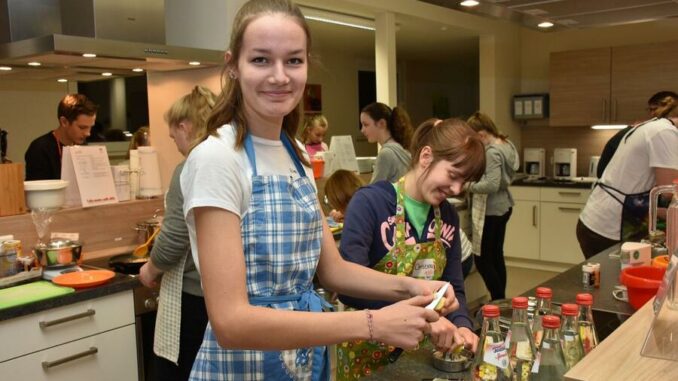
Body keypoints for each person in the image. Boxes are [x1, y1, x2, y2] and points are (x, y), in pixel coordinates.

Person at [181, 1, 459, 380]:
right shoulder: (217, 158)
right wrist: (372, 324)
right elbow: (231, 322)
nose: (280, 76)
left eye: (293, 61)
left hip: (304, 362)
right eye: (261, 60)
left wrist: (414, 286)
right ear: (233, 65)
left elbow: (332, 270)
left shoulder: (294, 152)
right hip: (243, 367)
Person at [336, 118, 485, 379]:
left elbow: (454, 287)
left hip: (421, 354)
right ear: (426, 156)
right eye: (453, 175)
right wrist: (425, 317)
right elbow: (348, 288)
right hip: (368, 351)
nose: (457, 189)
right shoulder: (371, 203)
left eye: (465, 182)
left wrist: (462, 325)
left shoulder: (447, 216)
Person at [138, 85, 217, 381]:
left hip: (194, 297)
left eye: (173, 137)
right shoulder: (232, 161)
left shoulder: (189, 168)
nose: (176, 145)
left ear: (184, 127)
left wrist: (150, 268)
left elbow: (174, 239)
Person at [577, 94, 678, 259]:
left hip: (599, 220)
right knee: (613, 280)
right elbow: (669, 190)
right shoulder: (665, 132)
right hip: (610, 227)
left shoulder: (651, 127)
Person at [465, 112, 519, 301]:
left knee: (482, 259)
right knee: (496, 255)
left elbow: (491, 184)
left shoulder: (492, 153)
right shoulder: (506, 144)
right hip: (504, 206)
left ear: (481, 134)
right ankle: (500, 300)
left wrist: (467, 186)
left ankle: (497, 300)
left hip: (492, 210)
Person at [597, 91, 678, 178]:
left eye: (654, 109)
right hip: (616, 182)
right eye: (651, 109)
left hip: (613, 183)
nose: (652, 113)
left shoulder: (648, 129)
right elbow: (667, 179)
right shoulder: (661, 131)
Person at [24, 93, 98, 180]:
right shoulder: (40, 149)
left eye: (90, 127)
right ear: (64, 122)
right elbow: (38, 191)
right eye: (82, 127)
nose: (87, 133)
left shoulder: (82, 146)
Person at [359, 102, 414, 183]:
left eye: (366, 125)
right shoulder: (401, 148)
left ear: (382, 123)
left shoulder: (386, 154)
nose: (362, 130)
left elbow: (373, 191)